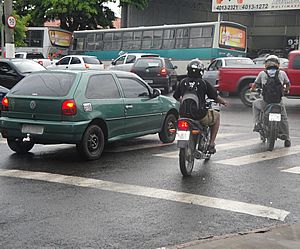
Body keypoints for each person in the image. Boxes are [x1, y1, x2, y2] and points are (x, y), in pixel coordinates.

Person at [173, 59, 228, 154]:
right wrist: (223, 102)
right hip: (199, 115)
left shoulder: (182, 82)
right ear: (201, 71)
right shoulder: (203, 83)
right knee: (217, 116)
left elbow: (176, 96)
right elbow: (215, 97)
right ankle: (211, 144)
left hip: (183, 115)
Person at [251, 54, 291, 147]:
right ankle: (287, 138)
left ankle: (257, 123)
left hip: (266, 102)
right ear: (278, 64)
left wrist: (253, 90)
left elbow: (254, 86)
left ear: (266, 64)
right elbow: (288, 85)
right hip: (278, 102)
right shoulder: (282, 73)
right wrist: (285, 90)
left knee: (255, 104)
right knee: (284, 118)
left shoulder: (262, 73)